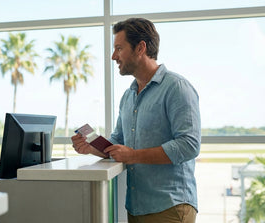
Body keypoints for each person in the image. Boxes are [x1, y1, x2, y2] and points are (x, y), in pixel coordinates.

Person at [72, 18, 201, 223]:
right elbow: (117, 142)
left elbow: (189, 145)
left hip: (170, 208)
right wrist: (91, 147)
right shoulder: (128, 95)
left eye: (119, 48)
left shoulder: (177, 88)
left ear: (140, 47)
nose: (114, 56)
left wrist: (133, 155)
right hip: (136, 208)